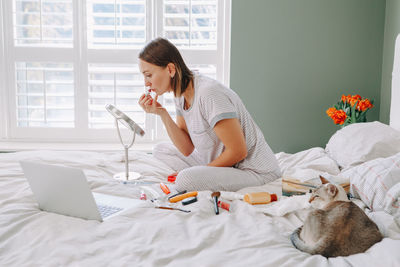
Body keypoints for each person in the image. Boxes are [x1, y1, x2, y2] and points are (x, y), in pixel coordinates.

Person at [138, 37, 281, 192]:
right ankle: (200, 173)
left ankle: (198, 174)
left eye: (148, 75)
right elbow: (187, 148)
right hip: (223, 163)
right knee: (161, 149)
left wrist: (202, 172)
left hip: (253, 171)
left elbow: (238, 151)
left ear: (171, 70)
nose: (146, 83)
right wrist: (162, 114)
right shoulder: (180, 94)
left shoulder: (209, 94)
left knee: (185, 180)